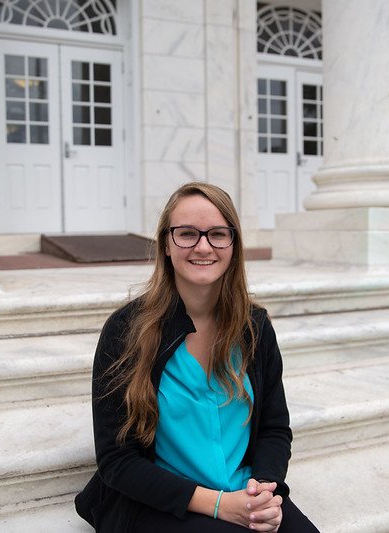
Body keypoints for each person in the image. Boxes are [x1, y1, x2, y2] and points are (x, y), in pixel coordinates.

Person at [75, 182, 319, 532]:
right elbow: (117, 460)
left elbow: (274, 429)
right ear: (165, 244)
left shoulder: (255, 327)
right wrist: (221, 505)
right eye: (187, 233)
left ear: (233, 244)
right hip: (162, 501)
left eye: (218, 234)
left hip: (243, 491)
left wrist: (264, 490)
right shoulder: (126, 330)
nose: (203, 246)